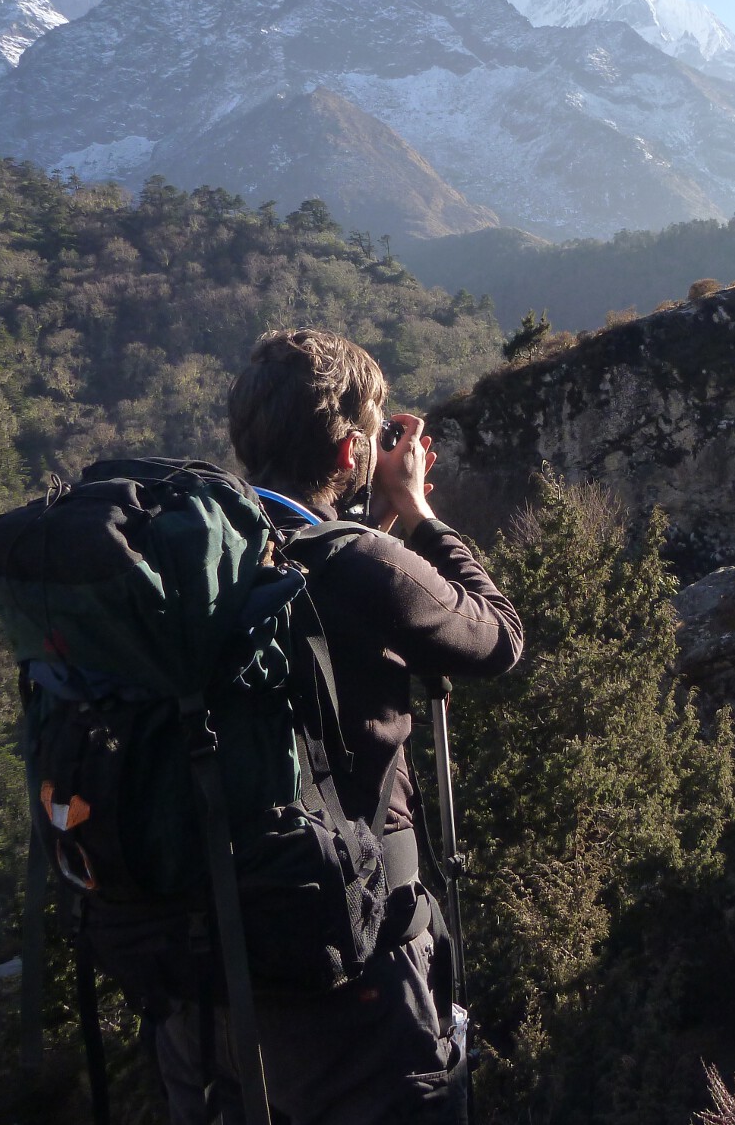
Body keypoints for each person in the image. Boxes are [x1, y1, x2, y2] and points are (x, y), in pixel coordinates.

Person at [153, 328, 523, 1124]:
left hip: (201, 986)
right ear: (354, 449)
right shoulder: (367, 566)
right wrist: (417, 509)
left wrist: (371, 531)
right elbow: (499, 636)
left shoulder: (202, 560)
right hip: (347, 983)